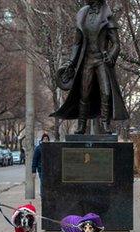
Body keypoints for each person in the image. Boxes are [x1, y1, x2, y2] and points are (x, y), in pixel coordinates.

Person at [51, 0, 129, 134]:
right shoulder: (83, 15)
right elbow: (77, 43)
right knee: (84, 93)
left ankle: (105, 124)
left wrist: (111, 56)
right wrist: (71, 62)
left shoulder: (107, 16)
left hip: (101, 61)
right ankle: (81, 125)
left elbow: (116, 44)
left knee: (106, 92)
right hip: (87, 60)